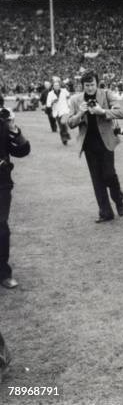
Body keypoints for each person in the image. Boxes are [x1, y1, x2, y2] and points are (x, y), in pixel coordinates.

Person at [65, 70, 123, 223]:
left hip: (106, 142)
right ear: (82, 85)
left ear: (97, 83)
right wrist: (80, 113)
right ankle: (105, 213)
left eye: (92, 84)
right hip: (89, 144)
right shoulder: (75, 100)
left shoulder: (106, 94)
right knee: (97, 180)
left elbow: (121, 113)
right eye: (87, 85)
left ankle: (118, 198)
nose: (90, 88)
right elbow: (70, 123)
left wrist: (102, 111)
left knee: (109, 175)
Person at [0, 107, 31, 289]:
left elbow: (22, 150)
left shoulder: (3, 125)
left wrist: (13, 129)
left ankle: (4, 272)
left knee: (1, 227)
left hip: (2, 183)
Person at [46, 77, 72, 145]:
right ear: (53, 87)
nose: (56, 87)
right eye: (55, 86)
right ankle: (65, 138)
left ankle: (65, 137)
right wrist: (53, 102)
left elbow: (69, 96)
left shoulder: (64, 91)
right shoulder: (50, 94)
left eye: (57, 85)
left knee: (63, 122)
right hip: (56, 112)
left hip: (64, 110)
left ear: (59, 86)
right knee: (61, 125)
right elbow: (48, 104)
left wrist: (69, 103)